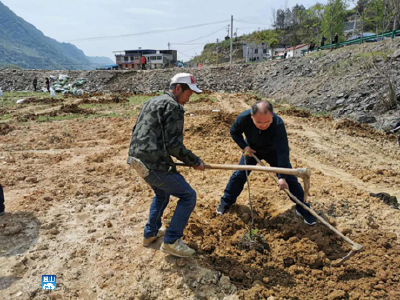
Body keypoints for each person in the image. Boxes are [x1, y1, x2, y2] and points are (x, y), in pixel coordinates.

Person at [127, 73, 205, 257]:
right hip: (153, 162)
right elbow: (174, 145)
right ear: (178, 89)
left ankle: (150, 233)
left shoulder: (152, 101)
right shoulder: (174, 106)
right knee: (188, 196)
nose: (188, 99)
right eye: (188, 94)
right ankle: (171, 241)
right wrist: (195, 161)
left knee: (162, 193)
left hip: (135, 158)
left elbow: (137, 130)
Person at [216, 101, 317, 226]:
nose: (263, 125)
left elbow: (283, 151)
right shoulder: (243, 118)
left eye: (267, 122)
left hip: (273, 151)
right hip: (252, 150)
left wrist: (282, 177)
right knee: (239, 175)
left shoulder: (278, 124)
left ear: (272, 116)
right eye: (259, 122)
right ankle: (225, 202)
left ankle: (303, 208)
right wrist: (244, 147)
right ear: (252, 117)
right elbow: (234, 132)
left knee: (290, 179)